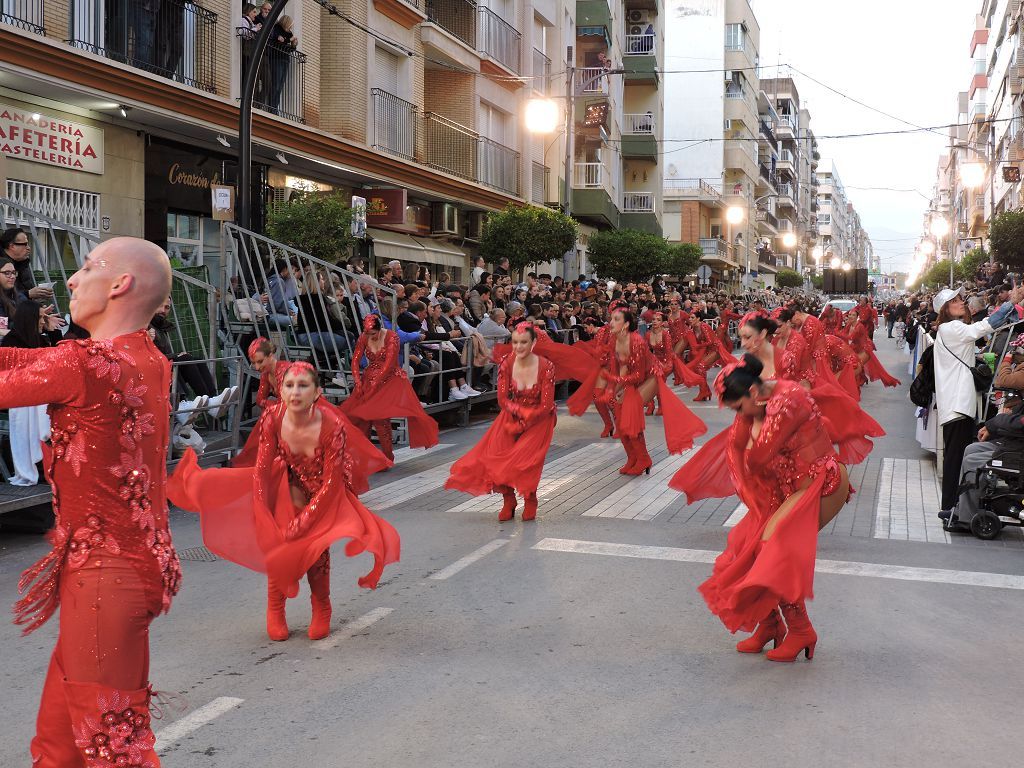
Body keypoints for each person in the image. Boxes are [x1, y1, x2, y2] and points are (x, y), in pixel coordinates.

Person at [7, 238, 180, 766]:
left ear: (119, 284)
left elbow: (26, 370)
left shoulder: (86, 366)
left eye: (86, 268)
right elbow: (24, 357)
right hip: (128, 566)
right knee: (59, 742)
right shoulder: (147, 356)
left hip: (106, 578)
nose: (74, 281)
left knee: (112, 747)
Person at [168, 362, 401, 641]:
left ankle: (321, 605)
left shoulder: (332, 424)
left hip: (327, 490)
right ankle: (275, 607)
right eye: (289, 386)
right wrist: (261, 507)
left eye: (303, 386)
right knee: (279, 542)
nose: (295, 392)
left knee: (315, 547)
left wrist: (306, 519)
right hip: (288, 482)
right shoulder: (273, 418)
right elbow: (263, 468)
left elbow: (331, 482)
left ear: (317, 392)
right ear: (281, 390)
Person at [670, 355, 851, 662]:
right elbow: (736, 450)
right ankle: (771, 627)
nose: (737, 415)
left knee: (771, 548)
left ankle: (801, 631)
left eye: (738, 407)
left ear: (753, 393)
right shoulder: (756, 403)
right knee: (740, 550)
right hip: (783, 490)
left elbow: (757, 456)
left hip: (819, 483)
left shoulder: (787, 399)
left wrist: (746, 440)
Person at [571, 307, 706, 474]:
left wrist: (614, 384)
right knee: (621, 419)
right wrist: (613, 389)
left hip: (651, 377)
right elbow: (622, 368)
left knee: (629, 414)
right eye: (611, 318)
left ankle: (643, 459)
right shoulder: (615, 340)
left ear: (626, 324)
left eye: (616, 319)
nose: (610, 323)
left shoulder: (636, 341)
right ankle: (633, 458)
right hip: (634, 378)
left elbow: (636, 374)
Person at [446, 323, 556, 521]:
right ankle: (508, 499)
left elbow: (546, 405)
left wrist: (524, 422)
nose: (519, 347)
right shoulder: (507, 363)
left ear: (533, 343)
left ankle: (530, 499)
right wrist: (518, 413)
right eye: (515, 342)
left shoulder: (546, 366)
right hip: (512, 413)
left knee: (526, 462)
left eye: (524, 342)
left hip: (540, 418)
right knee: (495, 457)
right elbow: (502, 399)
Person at [934, 286, 1022, 521]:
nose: (961, 302)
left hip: (957, 404)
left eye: (961, 299)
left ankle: (953, 507)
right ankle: (951, 507)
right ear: (945, 308)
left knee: (956, 456)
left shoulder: (949, 329)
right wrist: (1009, 303)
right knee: (955, 458)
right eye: (956, 300)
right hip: (957, 404)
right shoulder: (951, 328)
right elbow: (983, 327)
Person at [341, 315, 439, 461]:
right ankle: (366, 454)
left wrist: (375, 384)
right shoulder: (364, 337)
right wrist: (357, 380)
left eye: (372, 333)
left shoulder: (392, 337)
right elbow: (355, 360)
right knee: (361, 417)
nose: (369, 336)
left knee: (381, 419)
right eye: (367, 333)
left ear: (379, 329)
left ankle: (387, 455)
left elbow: (389, 363)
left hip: (390, 380)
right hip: (369, 378)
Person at [2, 299, 64, 486]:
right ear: (29, 318)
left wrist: (54, 332)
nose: (42, 321)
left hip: (40, 393)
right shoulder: (12, 340)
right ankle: (40, 462)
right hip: (19, 395)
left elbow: (59, 360)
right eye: (40, 317)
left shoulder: (42, 338)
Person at [0, 228, 53, 302]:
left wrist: (39, 306)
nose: (28, 248)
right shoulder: (2, 265)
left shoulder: (23, 264)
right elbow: (5, 297)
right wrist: (28, 294)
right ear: (12, 246)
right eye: (24, 244)